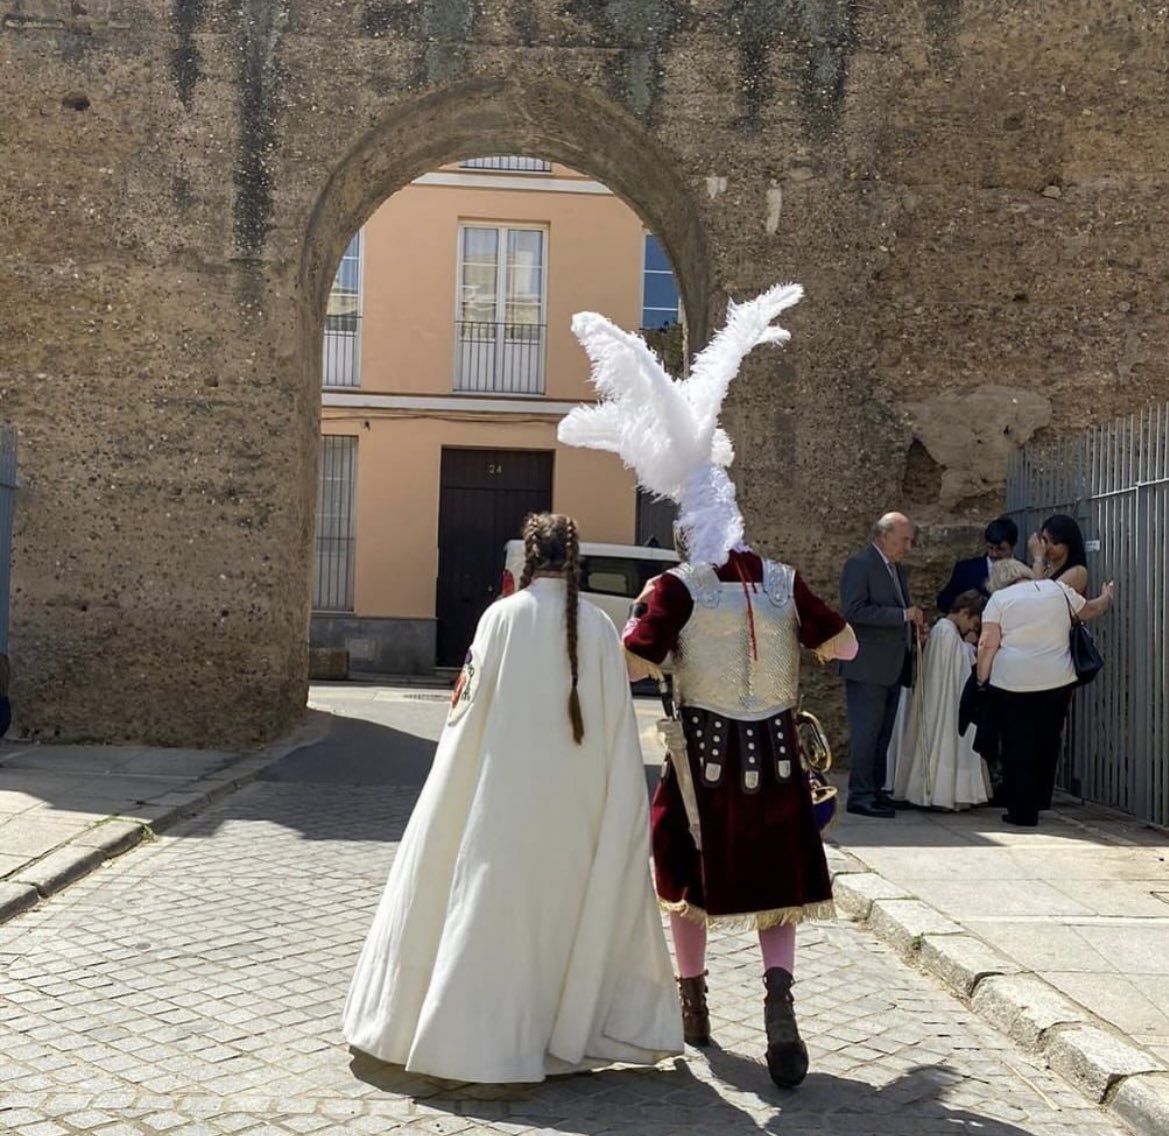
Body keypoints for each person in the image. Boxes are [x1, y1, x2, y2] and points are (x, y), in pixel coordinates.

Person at [557, 283, 857, 1091]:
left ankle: (694, 1011)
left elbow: (631, 663)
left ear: (688, 520)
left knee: (686, 883)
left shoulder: (677, 589)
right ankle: (779, 1005)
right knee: (779, 890)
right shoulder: (786, 581)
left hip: (706, 763)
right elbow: (848, 644)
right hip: (779, 758)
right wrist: (801, 652)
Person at [342, 513, 682, 1083]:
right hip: (577, 814)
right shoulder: (600, 628)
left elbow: (463, 717)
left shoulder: (500, 618)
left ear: (528, 559)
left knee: (491, 919)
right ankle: (557, 1034)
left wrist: (449, 802)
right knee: (560, 923)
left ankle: (473, 1042)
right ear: (575, 562)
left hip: (499, 809)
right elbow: (621, 731)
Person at [975, 558, 1113, 827]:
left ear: (998, 583)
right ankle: (1040, 799)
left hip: (1012, 682)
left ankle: (1021, 810)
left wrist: (982, 676)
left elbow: (987, 643)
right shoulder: (1058, 590)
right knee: (1046, 742)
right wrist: (1108, 595)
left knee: (1017, 746)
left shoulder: (999, 600)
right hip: (1056, 679)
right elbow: (1091, 609)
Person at [838, 513, 923, 819]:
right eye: (904, 540)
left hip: (890, 665)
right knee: (867, 733)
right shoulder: (860, 565)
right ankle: (860, 795)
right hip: (866, 666)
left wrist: (911, 628)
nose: (908, 547)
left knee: (882, 734)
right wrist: (902, 617)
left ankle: (875, 790)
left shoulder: (895, 569)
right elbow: (854, 610)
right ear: (884, 535)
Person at [894, 591, 990, 811]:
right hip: (945, 705)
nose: (971, 629)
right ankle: (941, 792)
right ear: (964, 613)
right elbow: (960, 665)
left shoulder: (943, 632)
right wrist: (971, 648)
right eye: (973, 623)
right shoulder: (946, 633)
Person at [936, 516, 1019, 613]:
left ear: (1013, 547)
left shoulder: (1023, 572)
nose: (994, 554)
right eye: (990, 548)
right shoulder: (965, 570)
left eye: (1000, 549)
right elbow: (943, 602)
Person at [1028, 513, 1089, 596]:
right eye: (1045, 541)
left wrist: (1038, 559)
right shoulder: (1046, 570)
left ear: (1068, 543)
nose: (1048, 547)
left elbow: (1041, 597)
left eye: (1055, 542)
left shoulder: (1078, 572)